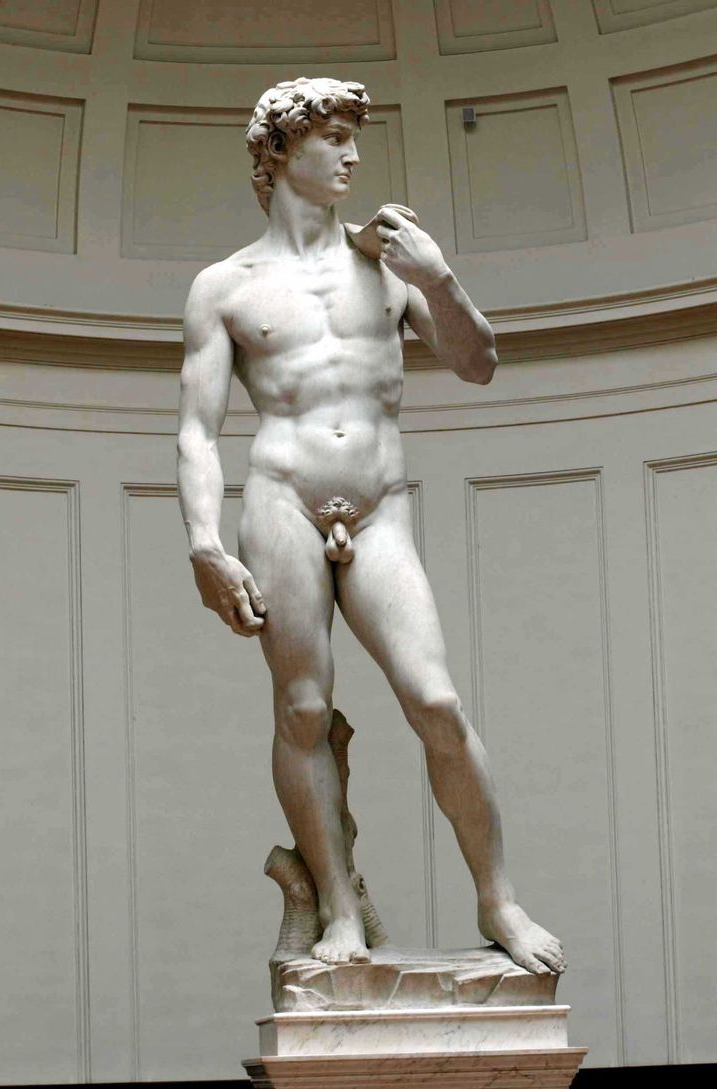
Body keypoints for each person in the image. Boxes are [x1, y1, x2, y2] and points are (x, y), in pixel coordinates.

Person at [177, 76, 565, 974]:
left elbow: (478, 363)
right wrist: (204, 543)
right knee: (303, 709)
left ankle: (498, 899)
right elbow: (198, 429)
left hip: (379, 506)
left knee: (437, 702)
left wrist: (438, 276)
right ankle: (340, 907)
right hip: (281, 500)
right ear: (280, 151)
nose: (353, 154)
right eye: (334, 137)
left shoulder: (389, 262)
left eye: (355, 136)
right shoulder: (224, 286)